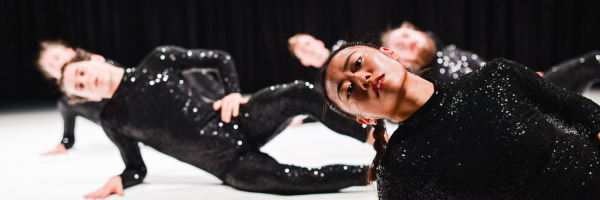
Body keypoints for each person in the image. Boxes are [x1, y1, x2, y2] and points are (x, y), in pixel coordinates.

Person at [59, 46, 370, 199]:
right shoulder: (112, 119)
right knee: (293, 181)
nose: (88, 81)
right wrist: (120, 180)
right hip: (230, 165)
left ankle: (369, 136)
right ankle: (372, 173)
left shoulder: (158, 60)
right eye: (81, 88)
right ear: (85, 98)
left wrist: (233, 93)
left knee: (298, 92)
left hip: (237, 121)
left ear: (94, 59)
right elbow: (136, 168)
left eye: (82, 73)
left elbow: (220, 58)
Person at [321, 42, 600, 199]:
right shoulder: (398, 170)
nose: (361, 78)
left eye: (357, 64)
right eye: (348, 90)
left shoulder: (497, 76)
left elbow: (585, 115)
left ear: (389, 53)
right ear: (365, 118)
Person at [37, 41, 245, 155]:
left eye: (57, 58)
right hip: (139, 131)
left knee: (188, 70)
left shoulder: (101, 67)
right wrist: (65, 142)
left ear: (70, 51)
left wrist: (230, 93)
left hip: (157, 112)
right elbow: (70, 116)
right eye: (51, 67)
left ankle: (225, 101)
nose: (57, 65)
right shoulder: (70, 101)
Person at [381, 21, 600, 93]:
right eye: (401, 47)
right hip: (514, 112)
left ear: (419, 32)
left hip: (526, 92)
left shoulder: (449, 51)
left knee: (593, 61)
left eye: (407, 36)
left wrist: (522, 75)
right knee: (593, 62)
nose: (408, 43)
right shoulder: (426, 83)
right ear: (403, 62)